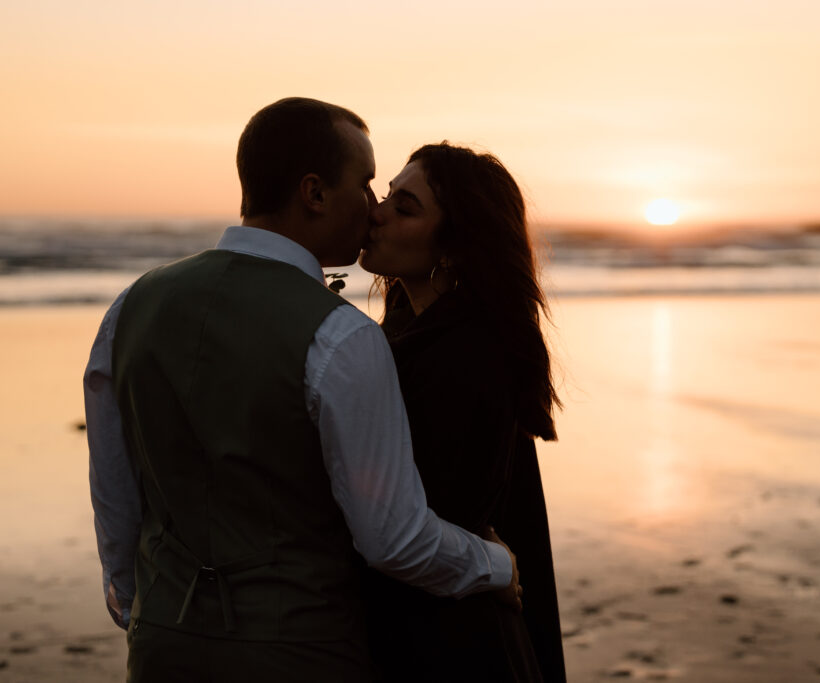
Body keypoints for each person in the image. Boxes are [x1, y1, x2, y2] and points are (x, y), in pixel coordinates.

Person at [84, 98, 522, 683]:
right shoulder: (341, 335)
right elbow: (391, 538)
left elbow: (114, 491)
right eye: (366, 184)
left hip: (160, 645)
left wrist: (140, 606)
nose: (372, 206)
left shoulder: (130, 306)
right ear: (314, 193)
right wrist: (497, 565)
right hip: (301, 650)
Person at [358, 143, 565, 682]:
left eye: (405, 208)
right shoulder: (406, 331)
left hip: (452, 642)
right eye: (387, 195)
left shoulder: (466, 357)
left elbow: (413, 523)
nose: (376, 212)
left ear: (453, 248)